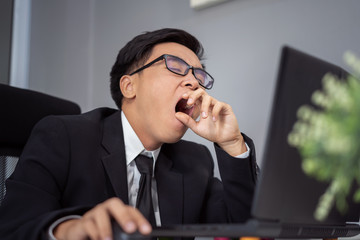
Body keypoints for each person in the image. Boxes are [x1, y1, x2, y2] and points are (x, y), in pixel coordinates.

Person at [0, 28, 258, 240]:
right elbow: (13, 228)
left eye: (198, 75)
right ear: (129, 86)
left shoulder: (195, 160)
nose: (194, 82)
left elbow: (247, 228)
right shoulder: (63, 137)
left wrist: (232, 143)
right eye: (176, 66)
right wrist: (69, 230)